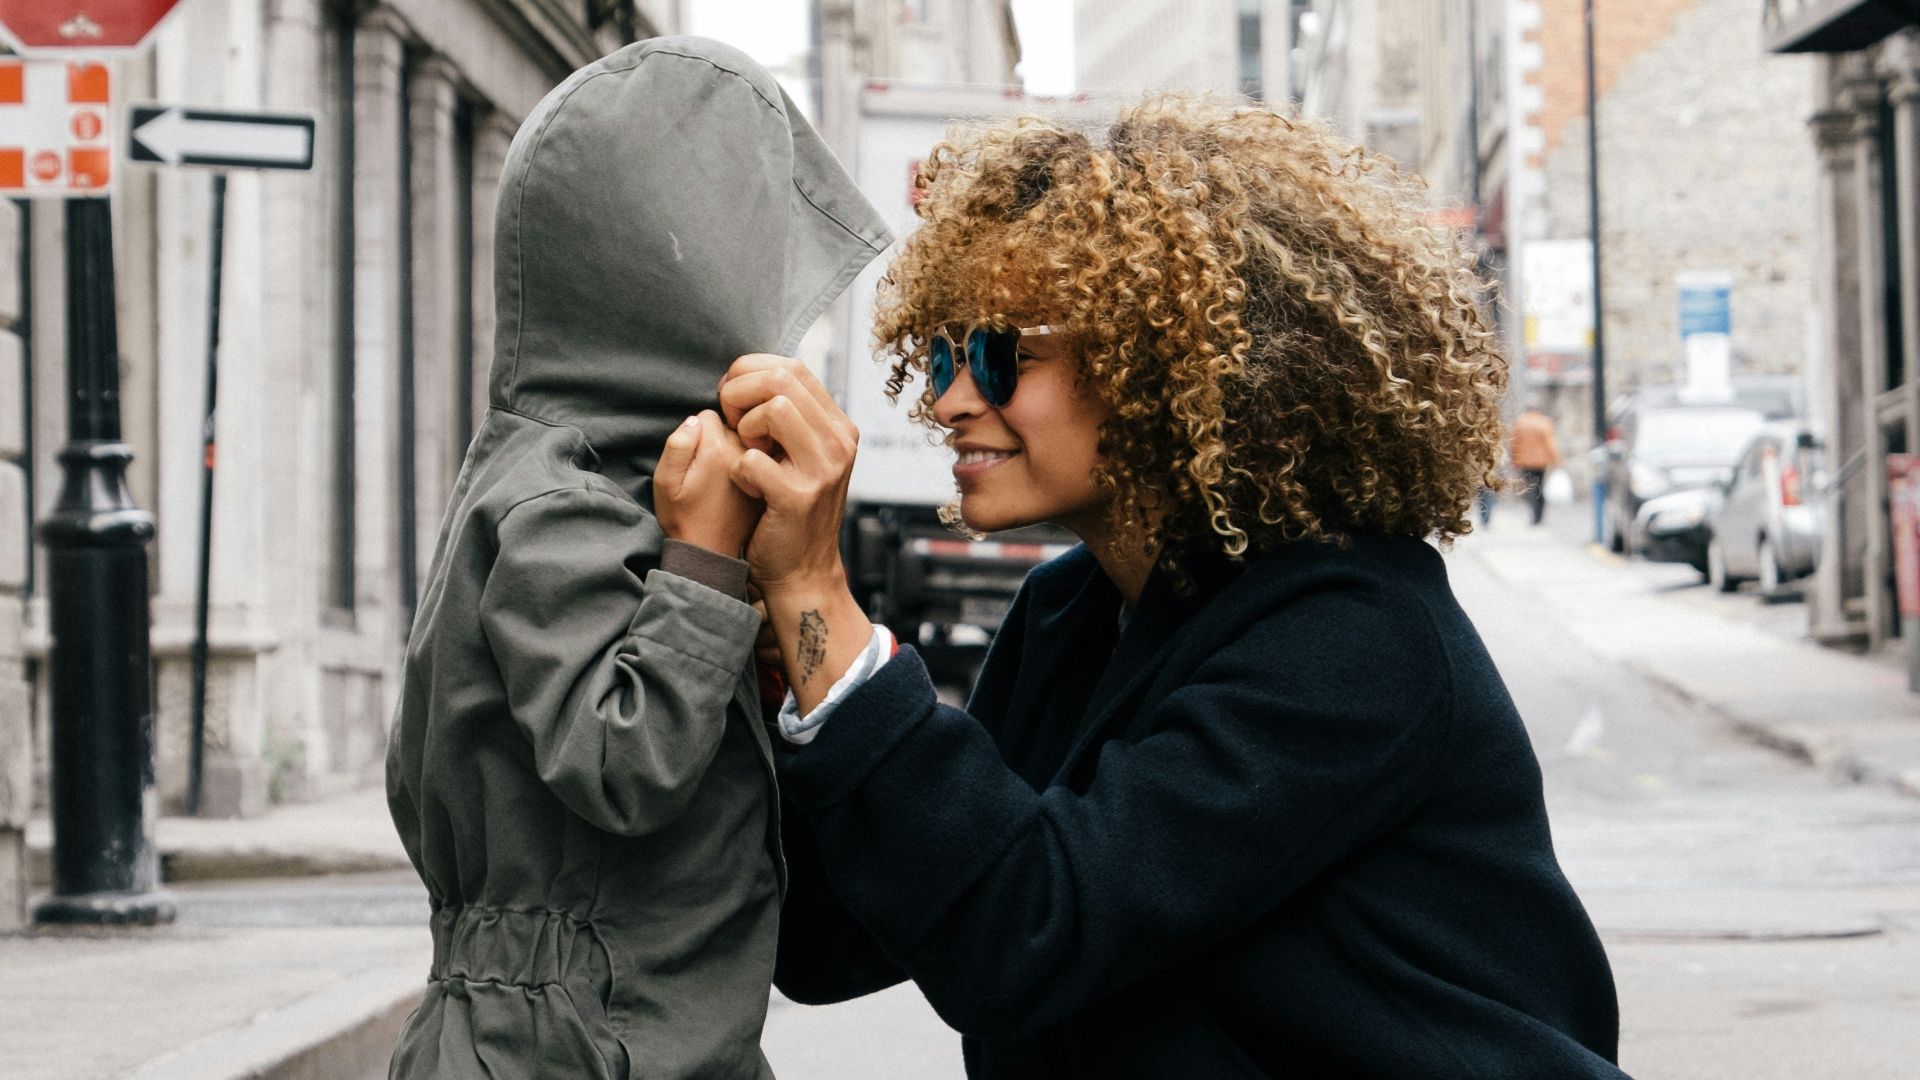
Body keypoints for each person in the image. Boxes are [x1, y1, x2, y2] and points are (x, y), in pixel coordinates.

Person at [719, 97, 1625, 1077]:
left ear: (1160, 362)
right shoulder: (1070, 616)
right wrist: (788, 671)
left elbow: (1026, 932)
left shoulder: (1356, 643)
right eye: (942, 353)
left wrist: (822, 601)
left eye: (997, 356)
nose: (947, 401)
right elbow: (830, 943)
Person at [382, 38, 888, 1079]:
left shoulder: (615, 478)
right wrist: (702, 566)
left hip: (638, 1029)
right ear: (672, 276)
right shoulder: (553, 500)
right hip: (565, 1044)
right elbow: (623, 761)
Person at [1511, 404, 1563, 525]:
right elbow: (1550, 443)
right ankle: (1539, 514)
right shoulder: (1544, 422)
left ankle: (1533, 512)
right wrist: (1556, 460)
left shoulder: (1520, 423)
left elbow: (1514, 443)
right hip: (1541, 461)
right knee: (1539, 486)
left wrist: (1514, 460)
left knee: (1530, 487)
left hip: (1524, 461)